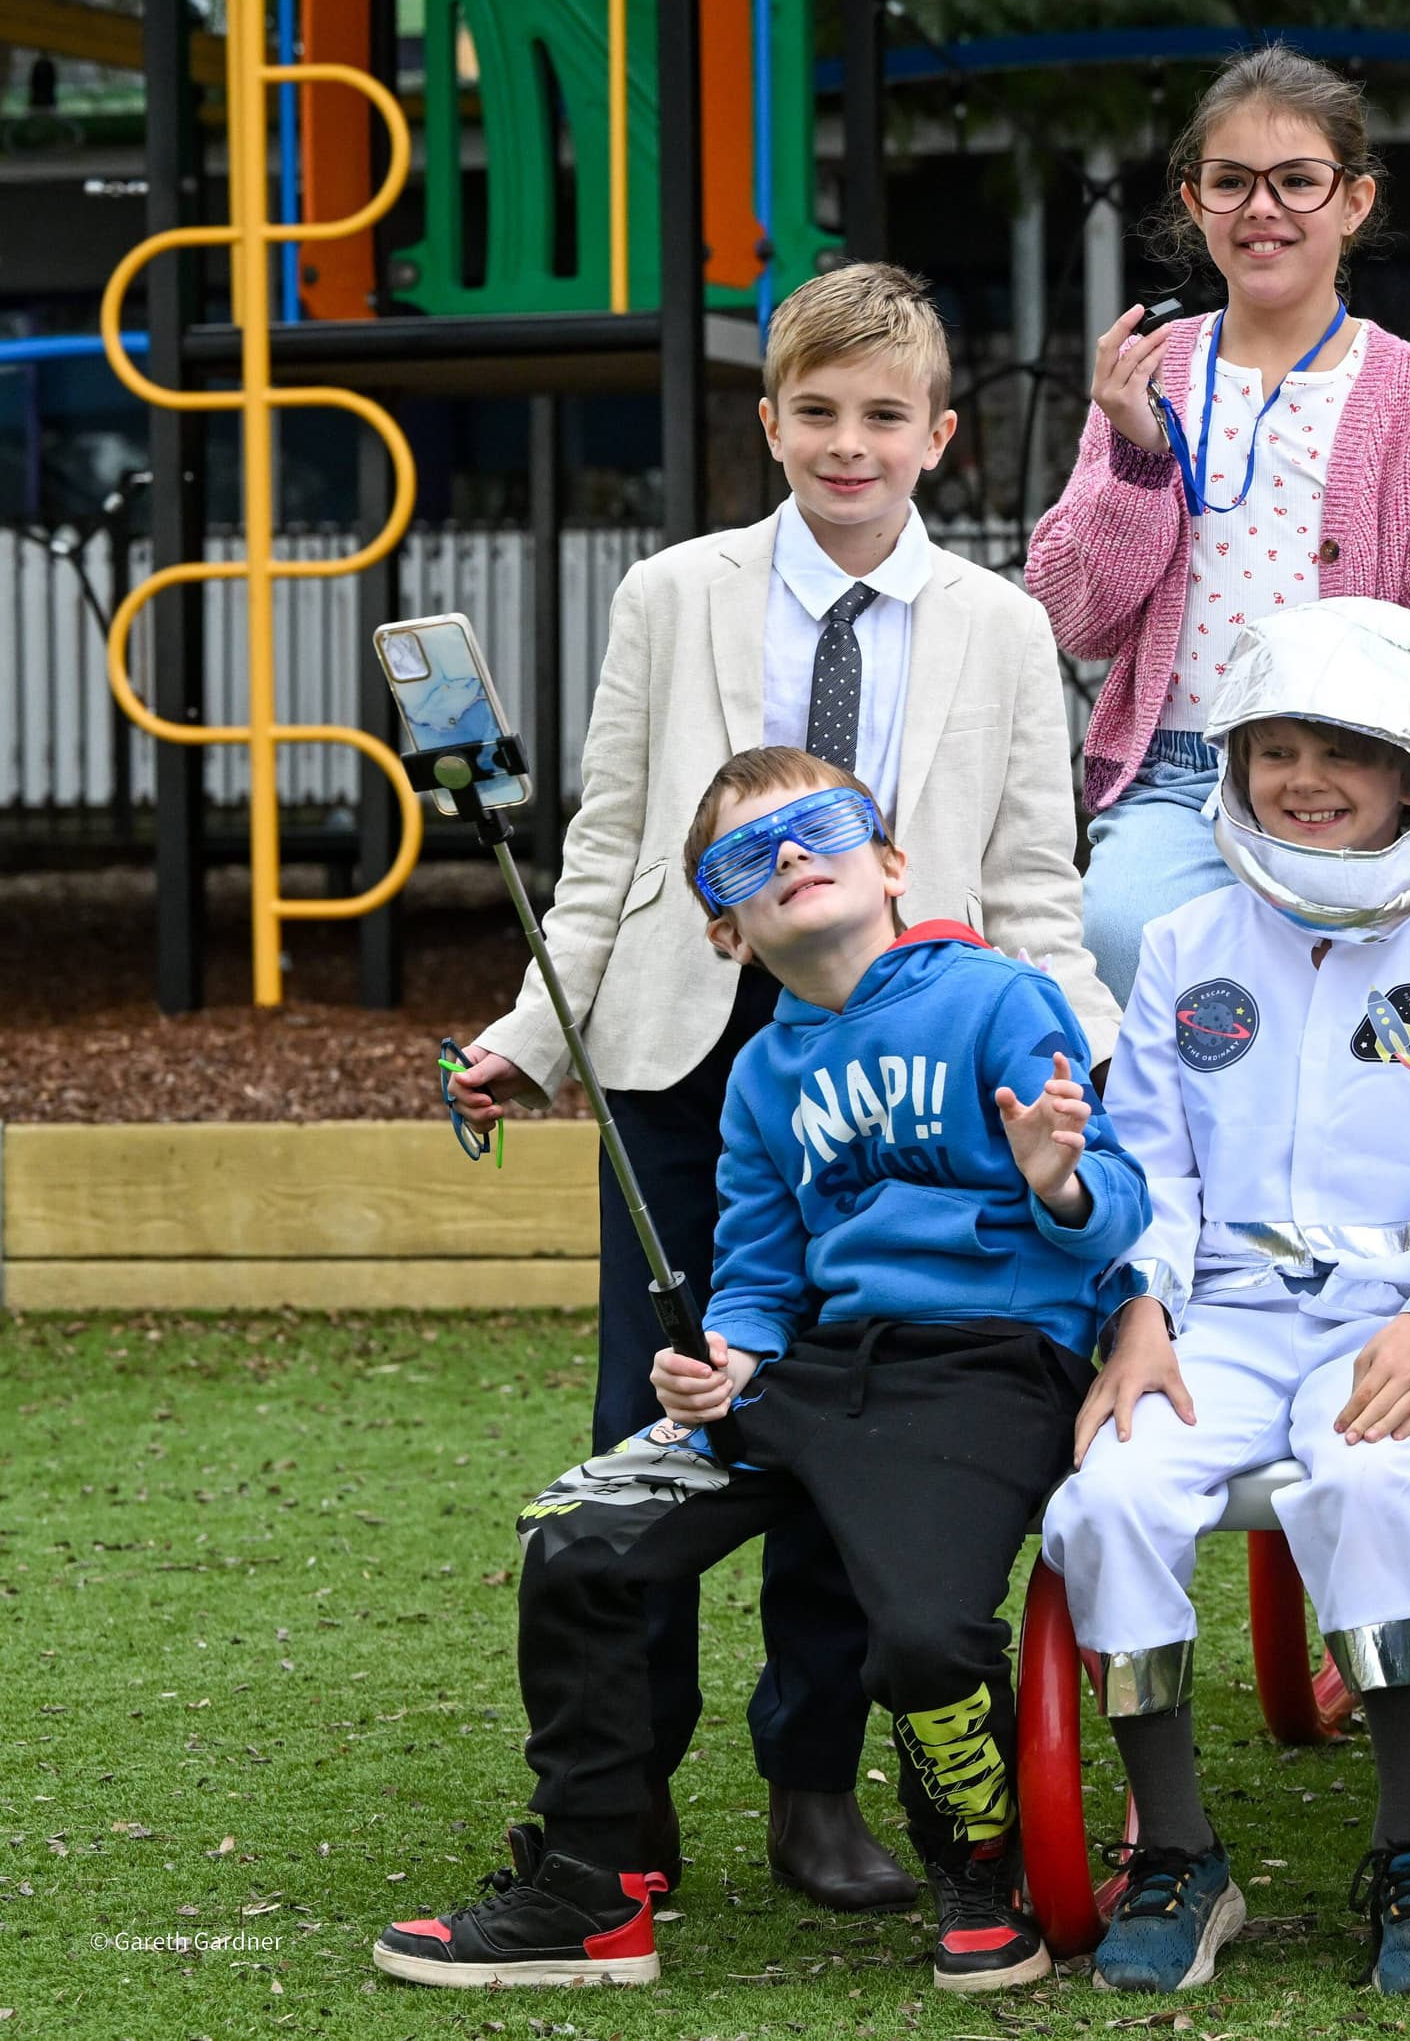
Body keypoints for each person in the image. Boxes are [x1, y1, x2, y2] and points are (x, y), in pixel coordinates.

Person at [439, 264, 1114, 1912]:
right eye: (816, 411)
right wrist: (530, 1035)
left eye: (884, 415)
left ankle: (816, 1785)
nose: (847, 442)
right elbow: (604, 856)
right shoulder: (672, 597)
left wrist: (1081, 1060)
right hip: (684, 1069)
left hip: (905, 1082)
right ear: (770, 420)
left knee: (850, 1437)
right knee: (666, 1420)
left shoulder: (1004, 626)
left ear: (939, 435)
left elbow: (1033, 885)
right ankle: (622, 1806)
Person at [375, 750, 1151, 1994]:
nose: (791, 856)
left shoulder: (1004, 1001)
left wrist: (1053, 1174)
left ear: (891, 861)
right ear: (725, 930)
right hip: (813, 1377)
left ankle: (977, 1862)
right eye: (748, 856)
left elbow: (1115, 1208)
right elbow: (756, 1270)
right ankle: (591, 1888)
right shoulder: (759, 1078)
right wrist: (730, 1356)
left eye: (818, 828)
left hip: (985, 1368)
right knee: (577, 1540)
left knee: (922, 1634)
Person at [1038, 599, 1410, 1999]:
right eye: (1274, 753)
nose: (1303, 782)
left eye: (1343, 754)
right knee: (1113, 1502)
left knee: (1368, 1484)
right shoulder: (1191, 944)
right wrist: (1138, 1309)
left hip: (1393, 1318)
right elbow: (1147, 1159)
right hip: (1221, 1320)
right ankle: (1181, 1853)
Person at [1029, 45, 1410, 1004]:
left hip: (1354, 771)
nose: (1262, 210)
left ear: (1355, 202)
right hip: (1177, 762)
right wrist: (1136, 454)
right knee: (1120, 940)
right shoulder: (1148, 371)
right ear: (1194, 203)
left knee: (1350, 1013)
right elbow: (1077, 615)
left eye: (1297, 182)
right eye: (1231, 183)